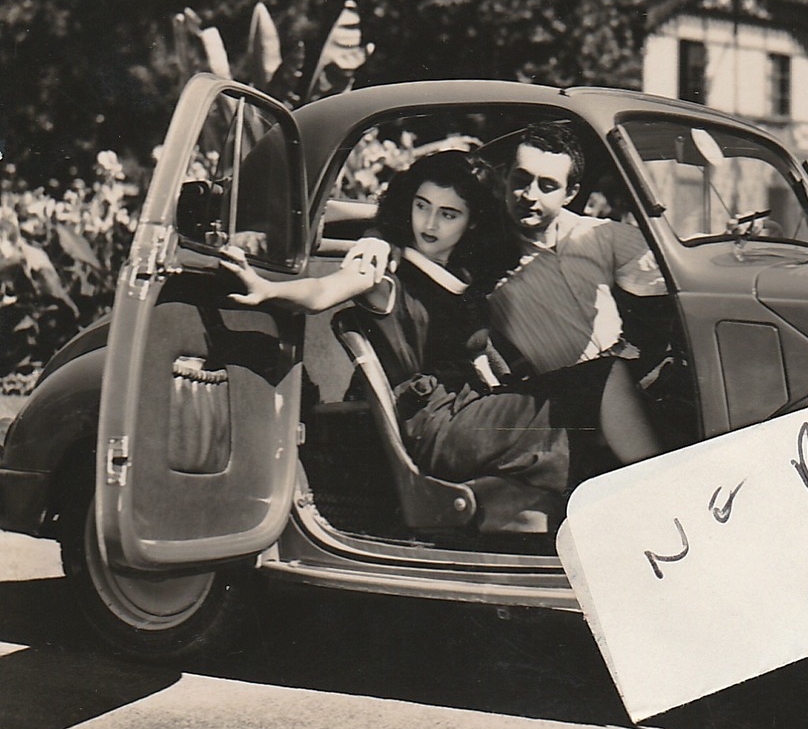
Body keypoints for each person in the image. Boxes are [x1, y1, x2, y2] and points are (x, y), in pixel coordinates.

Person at [218, 150, 572, 531]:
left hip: (466, 413)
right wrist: (268, 289)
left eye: (448, 214)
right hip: (432, 425)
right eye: (421, 206)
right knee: (582, 402)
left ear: (472, 222)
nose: (430, 222)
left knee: (584, 391)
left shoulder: (465, 277)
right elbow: (321, 292)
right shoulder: (386, 273)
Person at [487, 122, 667, 474]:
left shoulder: (599, 234)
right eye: (521, 180)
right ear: (505, 177)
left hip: (626, 383)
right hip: (552, 403)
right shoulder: (482, 246)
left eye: (547, 186)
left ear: (570, 193)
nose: (529, 195)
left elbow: (670, 268)